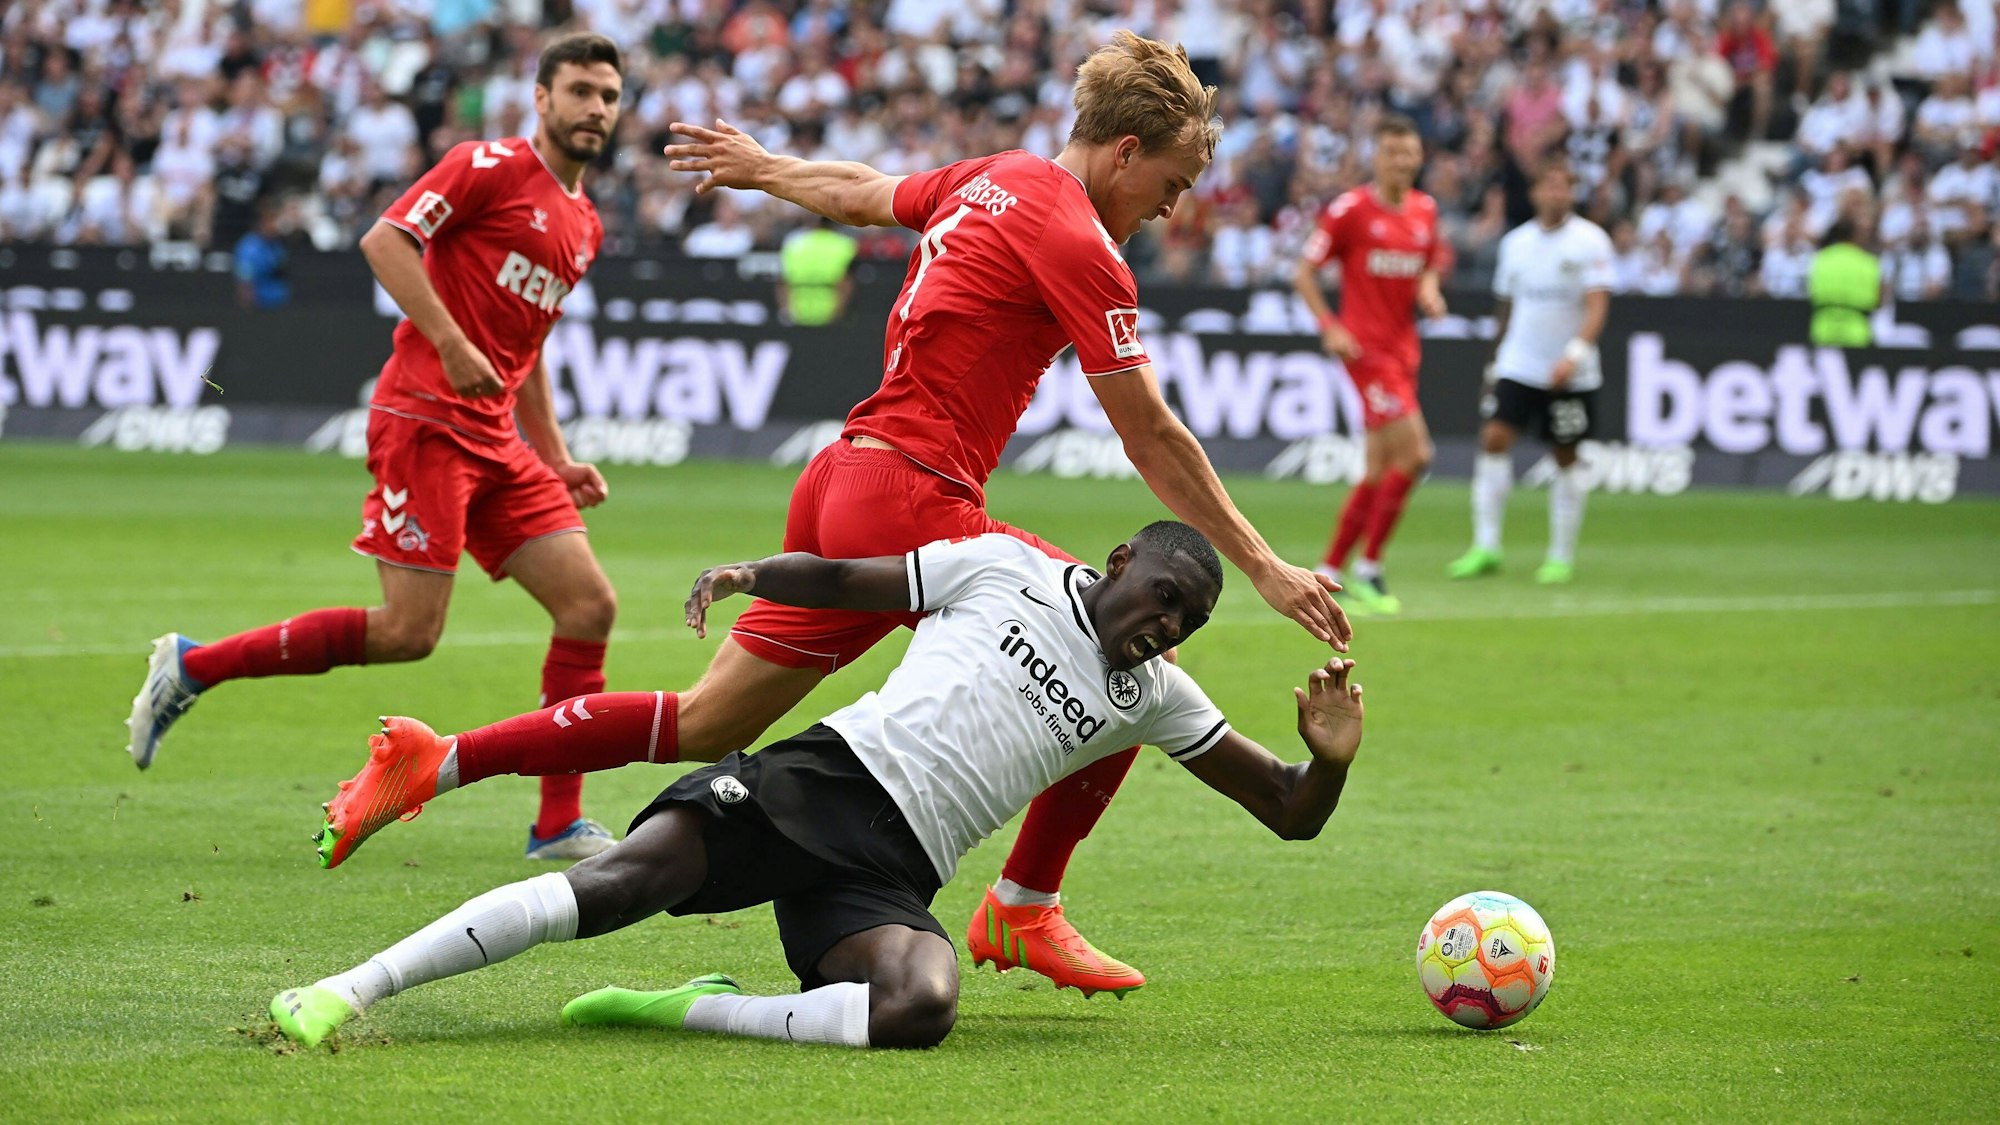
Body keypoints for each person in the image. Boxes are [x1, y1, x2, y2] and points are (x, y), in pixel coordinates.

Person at [312, 31, 1349, 1000]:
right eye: (1170, 183)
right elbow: (1151, 435)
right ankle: (1025, 907)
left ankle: (437, 757)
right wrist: (1260, 565)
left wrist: (763, 167)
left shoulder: (995, 176)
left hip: (848, 473)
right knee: (1118, 641)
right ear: (1124, 151)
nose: (1170, 206)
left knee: (708, 721)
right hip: (912, 496)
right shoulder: (1078, 239)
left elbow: (863, 193)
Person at [271, 522, 1367, 1050]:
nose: (1166, 625)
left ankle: (681, 1011)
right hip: (817, 782)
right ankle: (347, 991)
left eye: (1185, 621)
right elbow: (856, 580)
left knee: (922, 1004)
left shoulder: (1156, 695)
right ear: (1121, 559)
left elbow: (1286, 813)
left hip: (895, 870)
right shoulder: (1005, 569)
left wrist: (1326, 758)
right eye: (1162, 595)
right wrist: (758, 573)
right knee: (610, 890)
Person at [126, 33, 627, 861]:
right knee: (408, 631)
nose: (595, 110)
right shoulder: (488, 165)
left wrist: (558, 455)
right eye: (579, 91)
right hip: (426, 415)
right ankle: (194, 664)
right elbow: (385, 240)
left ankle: (557, 823)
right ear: (542, 99)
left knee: (589, 606)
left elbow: (527, 349)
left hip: (499, 435)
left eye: (607, 96)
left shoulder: (584, 222)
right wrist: (450, 341)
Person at [1292, 114, 1449, 617]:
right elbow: (1304, 273)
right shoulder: (1351, 210)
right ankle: (1370, 567)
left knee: (1380, 467)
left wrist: (1429, 290)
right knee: (1418, 454)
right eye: (1392, 153)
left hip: (1405, 352)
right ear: (1376, 157)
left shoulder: (1425, 210)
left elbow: (1428, 265)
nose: (1401, 161)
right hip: (1366, 352)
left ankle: (1331, 569)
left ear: (1418, 156)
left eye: (1409, 153)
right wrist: (1330, 326)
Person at [1446, 162, 1613, 586]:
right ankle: (1486, 545)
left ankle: (1560, 555)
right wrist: (1494, 361)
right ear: (1535, 192)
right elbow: (1506, 307)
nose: (1556, 192)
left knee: (1565, 454)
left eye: (1564, 185)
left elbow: (1597, 306)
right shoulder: (1516, 243)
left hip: (1570, 370)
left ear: (1572, 193)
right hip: (1521, 362)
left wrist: (1573, 355)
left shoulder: (1590, 241)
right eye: (1549, 184)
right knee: (1494, 439)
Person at [1807, 217, 1881, 347]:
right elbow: (1877, 300)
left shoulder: (1820, 259)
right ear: (1855, 235)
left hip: (1823, 328)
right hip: (1857, 330)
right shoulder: (1869, 262)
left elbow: (1811, 292)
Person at [779, 215, 859, 325]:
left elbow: (784, 281)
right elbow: (846, 282)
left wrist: (787, 309)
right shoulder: (845, 245)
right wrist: (839, 310)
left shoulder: (794, 244)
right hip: (829, 310)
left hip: (797, 310)